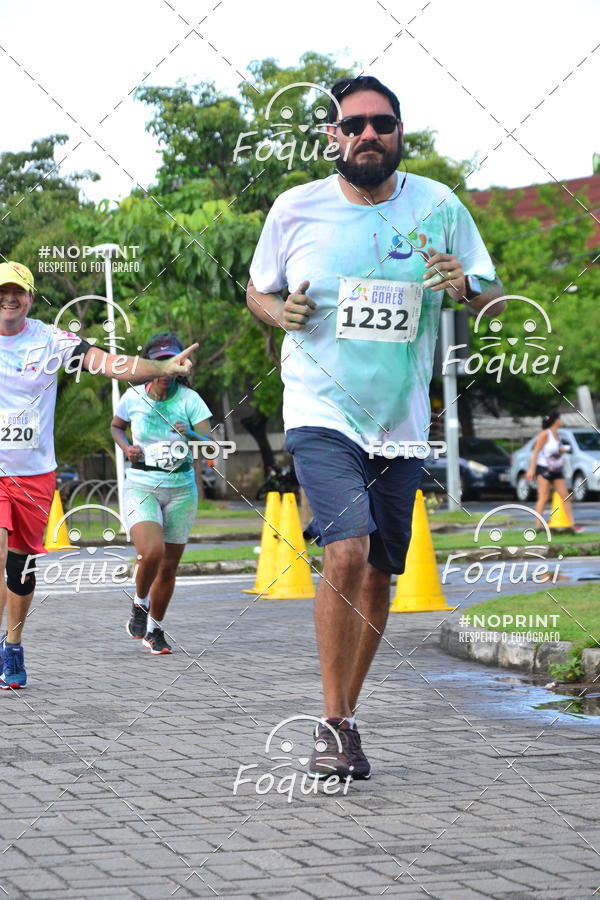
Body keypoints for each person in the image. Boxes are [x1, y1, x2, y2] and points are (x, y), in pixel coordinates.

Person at [247, 75, 506, 780]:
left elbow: (488, 295)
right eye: (353, 123)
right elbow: (257, 288)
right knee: (346, 551)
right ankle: (330, 722)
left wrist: (464, 287)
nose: (368, 133)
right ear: (333, 135)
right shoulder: (295, 209)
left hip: (399, 418)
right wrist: (279, 314)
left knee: (380, 573)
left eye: (382, 123)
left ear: (399, 132)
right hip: (318, 411)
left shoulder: (439, 205)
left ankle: (348, 716)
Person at [0, 261, 197, 689]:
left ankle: (13, 646)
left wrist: (161, 369)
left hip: (34, 474)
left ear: (30, 298)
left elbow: (110, 364)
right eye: (2, 292)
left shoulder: (50, 340)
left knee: (20, 567)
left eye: (17, 292)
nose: (9, 299)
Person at [111, 332, 211, 655]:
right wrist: (128, 448)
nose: (170, 369)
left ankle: (155, 630)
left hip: (181, 489)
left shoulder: (189, 401)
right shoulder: (133, 397)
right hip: (142, 484)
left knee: (168, 567)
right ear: (151, 365)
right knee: (151, 553)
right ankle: (140, 604)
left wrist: (191, 432)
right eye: (164, 362)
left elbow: (211, 447)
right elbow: (116, 426)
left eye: (176, 361)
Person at [526, 411, 581, 531]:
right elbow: (535, 452)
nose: (561, 421)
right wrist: (531, 470)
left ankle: (572, 524)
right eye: (559, 419)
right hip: (544, 468)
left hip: (556, 469)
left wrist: (561, 451)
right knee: (544, 496)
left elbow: (553, 450)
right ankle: (537, 526)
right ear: (555, 420)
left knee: (565, 496)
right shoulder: (545, 434)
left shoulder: (557, 435)